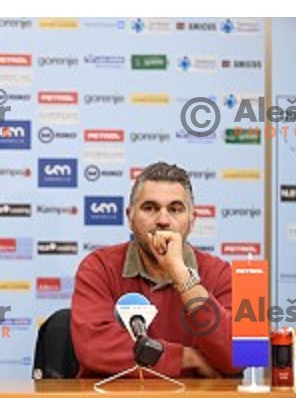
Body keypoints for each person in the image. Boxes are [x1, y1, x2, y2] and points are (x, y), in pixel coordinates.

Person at [72, 161, 238, 385]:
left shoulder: (220, 273)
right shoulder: (98, 266)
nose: (162, 220)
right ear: (130, 216)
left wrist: (181, 275)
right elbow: (94, 347)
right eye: (149, 208)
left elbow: (236, 356)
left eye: (175, 209)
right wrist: (185, 358)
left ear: (192, 219)